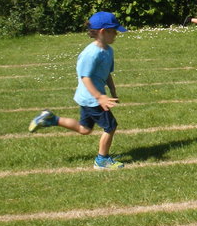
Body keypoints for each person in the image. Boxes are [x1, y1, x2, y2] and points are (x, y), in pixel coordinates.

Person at [29, 11, 127, 170]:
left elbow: (106, 72)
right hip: (92, 98)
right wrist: (99, 97)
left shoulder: (108, 51)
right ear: (102, 32)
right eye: (113, 31)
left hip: (89, 97)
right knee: (111, 126)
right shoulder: (91, 53)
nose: (116, 34)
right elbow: (85, 77)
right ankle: (102, 160)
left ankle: (51, 119)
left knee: (85, 129)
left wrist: (113, 91)